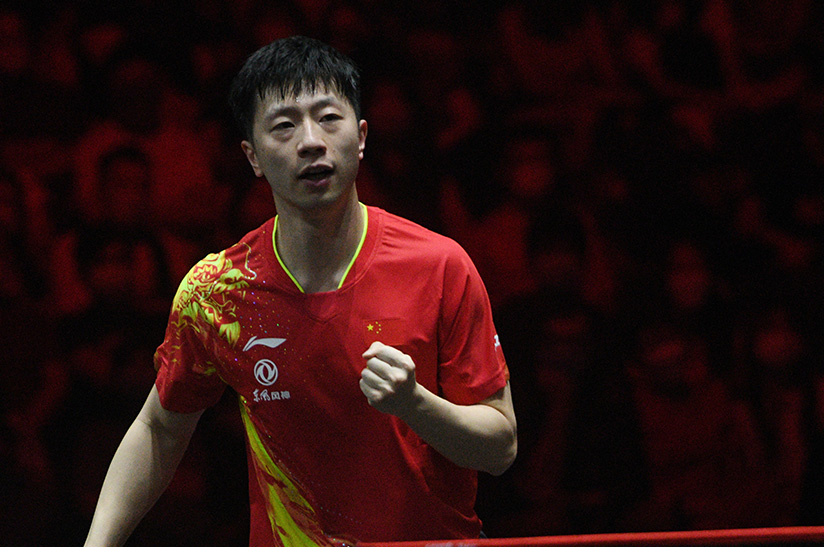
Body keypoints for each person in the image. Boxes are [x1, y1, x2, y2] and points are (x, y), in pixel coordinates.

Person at [83, 35, 516, 546]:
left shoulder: (439, 266)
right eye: (284, 126)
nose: (310, 141)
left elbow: (500, 449)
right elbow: (159, 429)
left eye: (328, 118)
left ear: (361, 137)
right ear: (253, 157)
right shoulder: (218, 292)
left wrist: (414, 403)